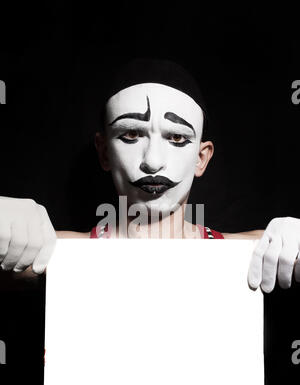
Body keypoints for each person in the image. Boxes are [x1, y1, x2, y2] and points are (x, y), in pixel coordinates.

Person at [0, 58, 300, 294]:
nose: (153, 161)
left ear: (201, 157)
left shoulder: (253, 254)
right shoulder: (56, 255)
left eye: (178, 138)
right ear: (104, 152)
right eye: (131, 133)